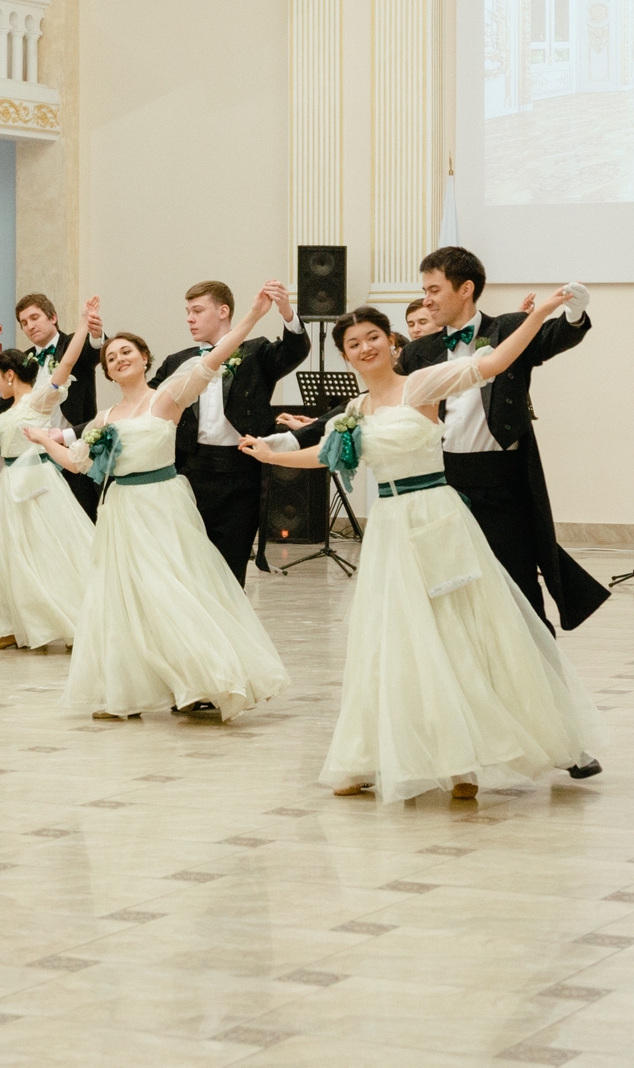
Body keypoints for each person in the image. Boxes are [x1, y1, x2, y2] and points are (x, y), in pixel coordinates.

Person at [244, 302, 604, 801]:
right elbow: (323, 454)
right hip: (390, 527)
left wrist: (539, 313)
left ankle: (466, 763)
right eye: (354, 344)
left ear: (392, 343)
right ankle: (371, 756)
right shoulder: (354, 412)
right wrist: (272, 454)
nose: (365, 348)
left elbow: (494, 362)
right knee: (393, 638)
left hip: (436, 516)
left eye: (373, 337)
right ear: (346, 356)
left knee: (459, 631)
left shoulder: (421, 384)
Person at [28, 292, 291, 723]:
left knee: (172, 593)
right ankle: (127, 691)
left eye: (127, 352)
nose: (119, 359)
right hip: (121, 512)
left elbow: (214, 359)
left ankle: (204, 679)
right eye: (112, 357)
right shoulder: (105, 418)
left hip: (163, 507)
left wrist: (252, 317)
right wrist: (44, 440)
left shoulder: (167, 398)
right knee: (124, 599)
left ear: (145, 358)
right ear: (107, 371)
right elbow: (77, 463)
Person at [395, 247, 605, 632]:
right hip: (444, 482)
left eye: (434, 290)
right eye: (424, 291)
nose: (426, 300)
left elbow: (551, 338)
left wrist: (574, 314)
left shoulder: (507, 328)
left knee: (519, 585)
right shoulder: (418, 352)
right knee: (452, 588)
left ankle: (538, 658)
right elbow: (384, 398)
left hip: (502, 480)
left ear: (465, 289)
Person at [150, 278, 307, 588]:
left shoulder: (255, 352)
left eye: (197, 311)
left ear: (223, 311)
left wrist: (286, 311)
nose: (190, 318)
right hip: (190, 471)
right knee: (190, 564)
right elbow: (148, 403)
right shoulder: (178, 361)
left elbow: (294, 351)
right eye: (187, 312)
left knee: (231, 568)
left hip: (241, 473)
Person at [0, 324, 94, 652]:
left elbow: (67, 364)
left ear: (10, 375)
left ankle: (72, 622)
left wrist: (83, 326)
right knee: (9, 556)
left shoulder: (38, 402)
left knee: (49, 550)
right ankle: (15, 624)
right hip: (9, 488)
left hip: (39, 484)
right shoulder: (2, 414)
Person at [12, 292, 102, 520]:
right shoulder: (23, 360)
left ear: (52, 317)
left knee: (81, 518)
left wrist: (95, 335)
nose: (30, 326)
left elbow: (93, 351)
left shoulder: (73, 344)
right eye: (24, 323)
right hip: (36, 454)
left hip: (74, 447)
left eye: (35, 318)